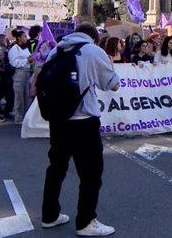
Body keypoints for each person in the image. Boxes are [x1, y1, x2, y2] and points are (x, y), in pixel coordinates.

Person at [41, 23, 119, 236]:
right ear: (93, 36)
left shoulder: (56, 50)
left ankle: (50, 215)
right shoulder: (94, 51)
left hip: (58, 119)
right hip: (84, 119)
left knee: (56, 167)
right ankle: (86, 221)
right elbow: (113, 84)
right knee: (91, 173)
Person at [9, 30, 33, 124]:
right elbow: (14, 62)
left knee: (26, 96)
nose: (26, 38)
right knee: (19, 96)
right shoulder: (14, 49)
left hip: (27, 72)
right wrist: (26, 60)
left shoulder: (26, 48)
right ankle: (18, 117)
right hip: (19, 72)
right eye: (24, 37)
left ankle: (25, 116)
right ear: (19, 38)